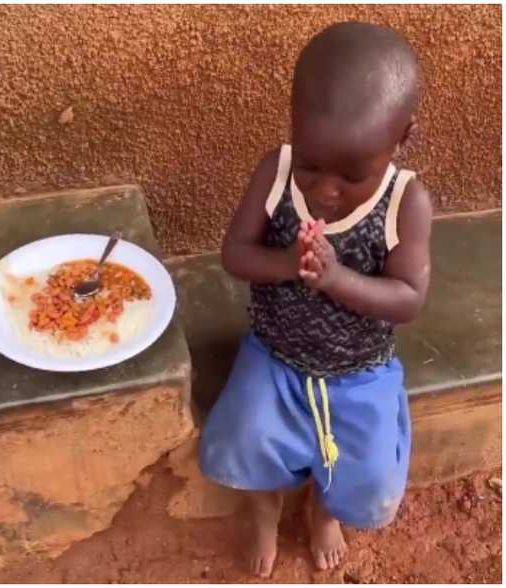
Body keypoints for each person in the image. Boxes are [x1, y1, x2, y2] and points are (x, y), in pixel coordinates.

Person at [198, 22, 433, 578]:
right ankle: (264, 513)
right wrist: (287, 264)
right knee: (245, 440)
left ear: (403, 137)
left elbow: (407, 300)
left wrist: (334, 278)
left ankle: (325, 513)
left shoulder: (406, 202)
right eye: (310, 164)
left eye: (352, 175)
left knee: (363, 472)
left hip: (359, 371)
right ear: (293, 124)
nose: (326, 191)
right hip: (274, 354)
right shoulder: (276, 172)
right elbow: (235, 254)